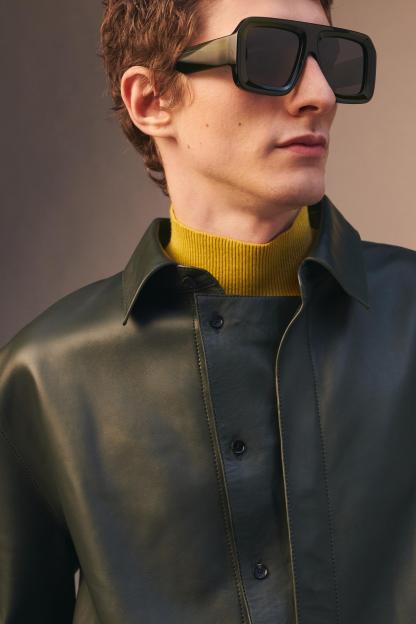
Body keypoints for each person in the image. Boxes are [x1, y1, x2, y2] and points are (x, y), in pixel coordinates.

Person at [0, 0, 415, 623]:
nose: (321, 95)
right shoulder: (42, 376)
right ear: (150, 101)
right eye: (268, 56)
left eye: (331, 59)